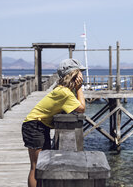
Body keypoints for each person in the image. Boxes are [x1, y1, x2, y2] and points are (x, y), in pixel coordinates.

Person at [21, 59, 86, 187]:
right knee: (36, 166)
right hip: (34, 125)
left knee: (42, 164)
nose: (82, 75)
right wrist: (79, 88)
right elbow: (82, 107)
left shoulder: (63, 90)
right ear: (73, 74)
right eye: (80, 72)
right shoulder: (64, 93)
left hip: (39, 125)